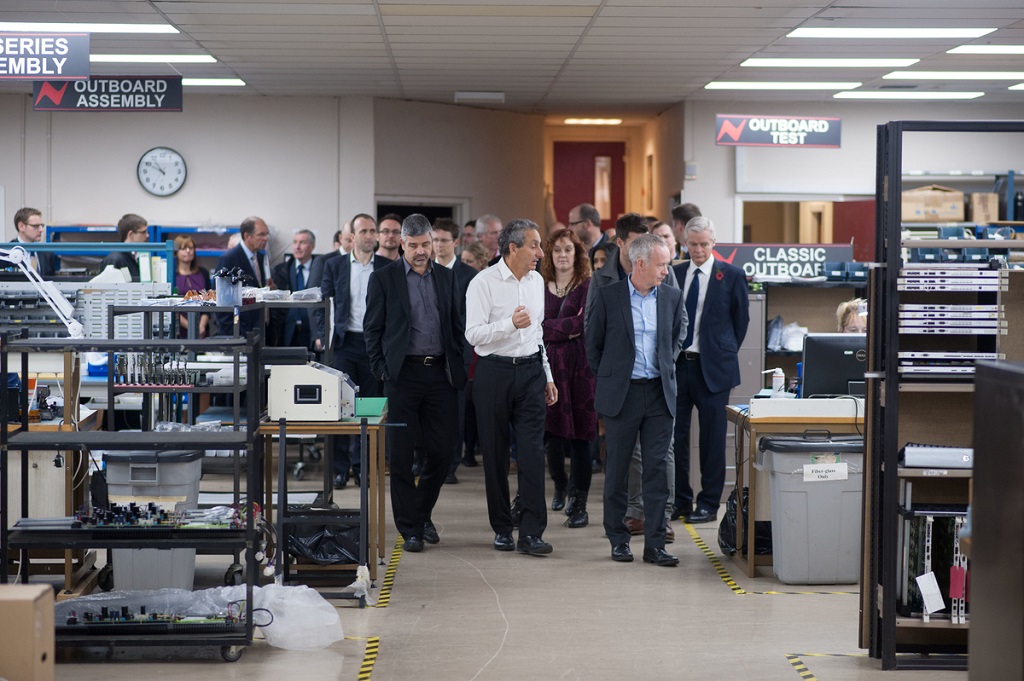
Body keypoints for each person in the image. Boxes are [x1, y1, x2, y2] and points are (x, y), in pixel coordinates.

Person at [363, 214, 467, 552]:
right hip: (402, 376)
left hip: (440, 374)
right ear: (401, 245)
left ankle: (421, 514)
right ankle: (410, 528)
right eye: (414, 246)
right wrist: (382, 370)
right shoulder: (383, 279)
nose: (421, 251)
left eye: (427, 244)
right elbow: (372, 330)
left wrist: (459, 363)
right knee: (401, 454)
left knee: (442, 450)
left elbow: (455, 325)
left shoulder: (448, 278)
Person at [586, 233, 685, 566]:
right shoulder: (607, 296)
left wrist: (666, 362)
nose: (665, 271)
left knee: (657, 469)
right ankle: (618, 539)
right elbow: (593, 345)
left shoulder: (671, 296)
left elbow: (675, 336)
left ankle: (655, 544)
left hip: (659, 393)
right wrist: (613, 378)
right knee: (617, 470)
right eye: (660, 265)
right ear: (640, 263)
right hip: (622, 395)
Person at [465, 218, 558, 556]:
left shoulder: (536, 282)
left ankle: (532, 532)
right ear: (513, 248)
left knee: (533, 454)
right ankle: (503, 527)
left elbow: (538, 333)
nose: (540, 252)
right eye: (534, 245)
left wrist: (547, 375)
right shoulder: (482, 283)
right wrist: (508, 324)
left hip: (531, 371)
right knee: (495, 453)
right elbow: (473, 334)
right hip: (494, 374)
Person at [672, 216, 750, 525]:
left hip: (714, 370)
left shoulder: (731, 275)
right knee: (674, 438)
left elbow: (740, 322)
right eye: (693, 244)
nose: (699, 250)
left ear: (713, 243)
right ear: (685, 244)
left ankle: (707, 503)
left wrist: (721, 351)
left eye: (704, 244)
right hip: (679, 367)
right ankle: (679, 500)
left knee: (713, 440)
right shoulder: (675, 274)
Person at [315, 214, 391, 489]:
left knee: (369, 408)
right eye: (364, 231)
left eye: (373, 231)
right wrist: (323, 336)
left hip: (374, 345)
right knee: (341, 406)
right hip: (345, 343)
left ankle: (363, 467)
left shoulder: (386, 266)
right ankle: (339, 468)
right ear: (353, 235)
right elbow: (324, 301)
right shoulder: (334, 265)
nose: (370, 236)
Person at [539, 228, 595, 528]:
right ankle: (560, 484)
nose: (562, 255)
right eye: (557, 249)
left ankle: (579, 501)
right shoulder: (537, 283)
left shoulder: (588, 284)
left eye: (568, 250)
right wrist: (564, 328)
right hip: (548, 369)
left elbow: (583, 324)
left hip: (580, 368)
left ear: (577, 254)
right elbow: (533, 324)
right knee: (552, 436)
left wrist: (548, 327)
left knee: (582, 438)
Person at [432, 218, 480, 484]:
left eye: (443, 240)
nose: (438, 245)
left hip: (458, 354)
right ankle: (427, 461)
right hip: (426, 353)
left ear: (455, 242)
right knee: (429, 412)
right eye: (435, 240)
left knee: (456, 413)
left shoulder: (469, 275)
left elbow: (470, 318)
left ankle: (451, 465)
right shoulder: (422, 270)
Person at [214, 216, 274, 337]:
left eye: (267, 234)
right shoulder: (229, 260)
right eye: (261, 235)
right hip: (239, 332)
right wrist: (235, 333)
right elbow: (221, 303)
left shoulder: (261, 258)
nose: (266, 238)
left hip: (260, 329)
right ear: (247, 236)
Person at [270, 229, 317, 349]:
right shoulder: (280, 271)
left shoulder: (320, 270)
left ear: (312, 246)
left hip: (312, 331)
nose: (297, 247)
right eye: (295, 242)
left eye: (302, 242)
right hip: (287, 331)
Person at [173, 234, 211, 338]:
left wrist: (201, 326)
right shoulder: (171, 275)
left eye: (191, 248)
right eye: (183, 248)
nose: (188, 251)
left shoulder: (203, 273)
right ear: (176, 252)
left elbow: (209, 302)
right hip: (179, 330)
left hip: (202, 330)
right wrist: (190, 326)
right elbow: (170, 305)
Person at [99, 213, 149, 282]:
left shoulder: (137, 256)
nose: (147, 235)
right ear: (130, 234)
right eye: (143, 232)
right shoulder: (114, 260)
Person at [12, 208, 58, 277]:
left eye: (41, 226)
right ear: (21, 226)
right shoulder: (7, 253)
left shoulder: (48, 254)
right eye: (36, 226)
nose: (41, 230)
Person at [308, 222, 350, 290]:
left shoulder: (364, 262)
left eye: (355, 241)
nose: (353, 245)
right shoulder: (323, 261)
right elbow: (313, 294)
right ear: (340, 238)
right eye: (349, 240)